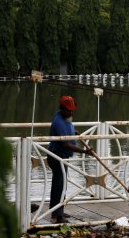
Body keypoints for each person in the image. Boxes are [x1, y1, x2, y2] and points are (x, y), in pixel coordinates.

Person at [47, 95, 92, 223]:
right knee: (60, 185)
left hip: (62, 156)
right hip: (57, 156)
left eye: (72, 110)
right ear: (62, 109)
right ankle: (58, 215)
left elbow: (67, 129)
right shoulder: (58, 121)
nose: (71, 112)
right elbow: (66, 144)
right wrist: (84, 151)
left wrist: (74, 132)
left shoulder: (64, 117)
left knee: (60, 184)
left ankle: (56, 210)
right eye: (68, 110)